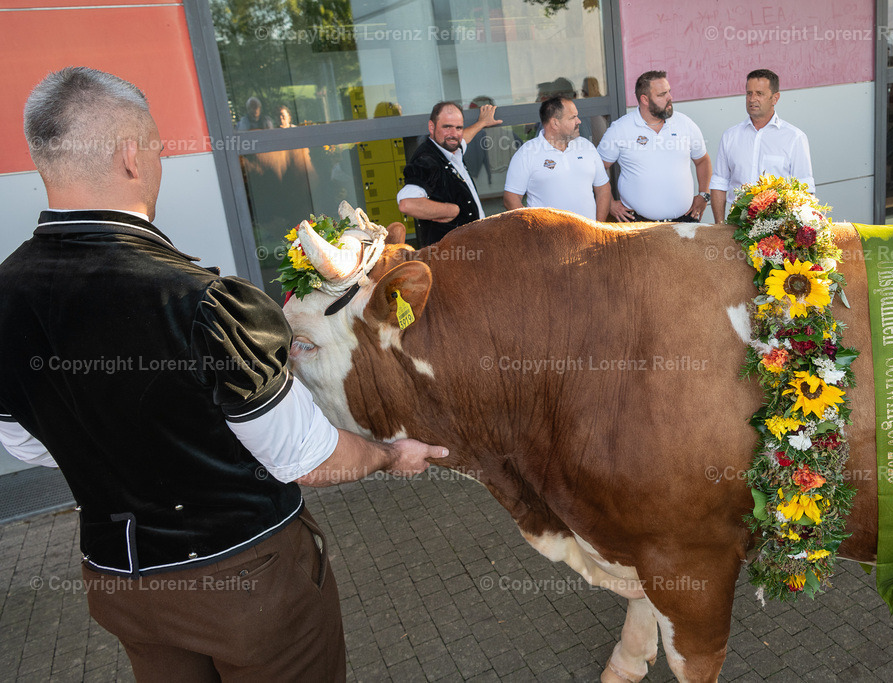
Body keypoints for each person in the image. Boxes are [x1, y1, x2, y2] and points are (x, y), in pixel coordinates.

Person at [0, 66, 447, 681]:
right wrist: (392, 454)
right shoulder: (202, 303)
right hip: (246, 587)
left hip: (120, 588)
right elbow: (310, 461)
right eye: (156, 148)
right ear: (132, 156)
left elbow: (29, 444)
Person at [598, 70, 712, 223]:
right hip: (638, 225)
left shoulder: (685, 124)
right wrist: (610, 204)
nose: (670, 98)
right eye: (662, 94)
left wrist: (704, 195)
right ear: (645, 99)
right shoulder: (620, 129)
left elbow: (702, 160)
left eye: (669, 92)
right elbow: (597, 169)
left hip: (685, 221)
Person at [710, 69, 814, 223]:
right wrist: (719, 226)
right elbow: (719, 183)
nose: (752, 99)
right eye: (749, 93)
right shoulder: (730, 136)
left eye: (759, 93)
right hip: (736, 228)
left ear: (775, 98)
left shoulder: (794, 138)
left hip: (778, 230)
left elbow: (805, 190)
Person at [397, 101, 501, 246]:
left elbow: (463, 138)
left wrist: (482, 122)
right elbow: (407, 204)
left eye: (459, 127)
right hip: (452, 259)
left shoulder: (451, 149)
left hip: (474, 247)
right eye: (447, 127)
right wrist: (451, 210)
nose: (453, 134)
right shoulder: (427, 160)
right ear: (431, 127)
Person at [502, 97, 610, 221]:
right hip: (548, 239)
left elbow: (603, 189)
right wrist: (534, 230)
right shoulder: (526, 153)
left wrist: (598, 227)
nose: (579, 121)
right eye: (572, 117)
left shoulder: (587, 146)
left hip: (589, 237)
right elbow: (511, 199)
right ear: (555, 123)